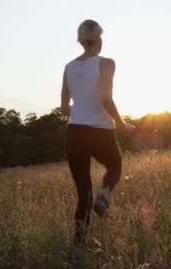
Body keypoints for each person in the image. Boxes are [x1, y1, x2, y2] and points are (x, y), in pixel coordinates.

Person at [60, 19, 135, 245]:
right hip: (100, 131)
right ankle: (104, 197)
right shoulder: (106, 63)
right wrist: (122, 124)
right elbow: (105, 99)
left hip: (75, 132)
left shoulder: (69, 67)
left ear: (82, 41)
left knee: (84, 193)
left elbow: (65, 108)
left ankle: (78, 245)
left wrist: (80, 109)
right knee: (115, 165)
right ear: (99, 39)